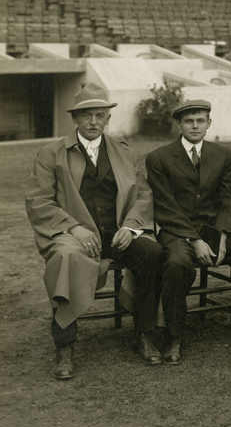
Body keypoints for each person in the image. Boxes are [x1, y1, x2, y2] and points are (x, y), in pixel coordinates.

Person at [26, 83, 163, 379]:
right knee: (64, 259)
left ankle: (144, 333)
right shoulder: (51, 154)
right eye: (86, 115)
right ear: (74, 119)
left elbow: (143, 195)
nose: (93, 122)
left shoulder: (123, 152)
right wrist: (73, 227)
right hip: (73, 235)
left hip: (117, 232)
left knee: (152, 252)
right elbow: (38, 201)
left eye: (100, 115)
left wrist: (130, 227)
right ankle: (65, 345)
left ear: (108, 119)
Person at [146, 99, 231, 364]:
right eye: (189, 121)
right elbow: (165, 207)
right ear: (179, 124)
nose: (195, 126)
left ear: (209, 123)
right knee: (176, 263)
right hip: (178, 230)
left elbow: (227, 199)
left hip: (217, 228)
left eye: (200, 121)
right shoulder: (158, 157)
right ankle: (174, 336)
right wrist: (195, 240)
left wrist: (224, 236)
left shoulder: (223, 154)